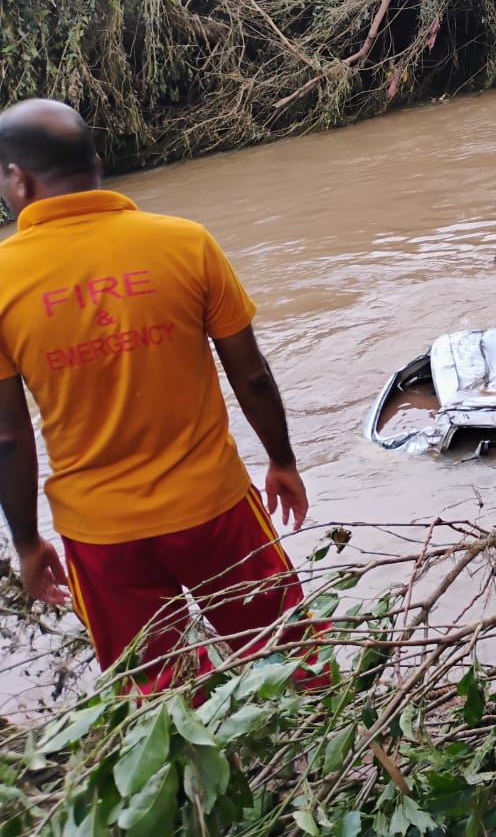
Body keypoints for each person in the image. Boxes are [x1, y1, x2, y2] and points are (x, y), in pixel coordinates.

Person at [0, 99, 315, 690]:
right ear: (95, 163)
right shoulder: (185, 243)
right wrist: (282, 461)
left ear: (18, 178)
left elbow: (9, 437)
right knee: (284, 652)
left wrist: (26, 542)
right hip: (214, 507)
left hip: (100, 535)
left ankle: (206, 778)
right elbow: (252, 375)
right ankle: (334, 760)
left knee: (160, 694)